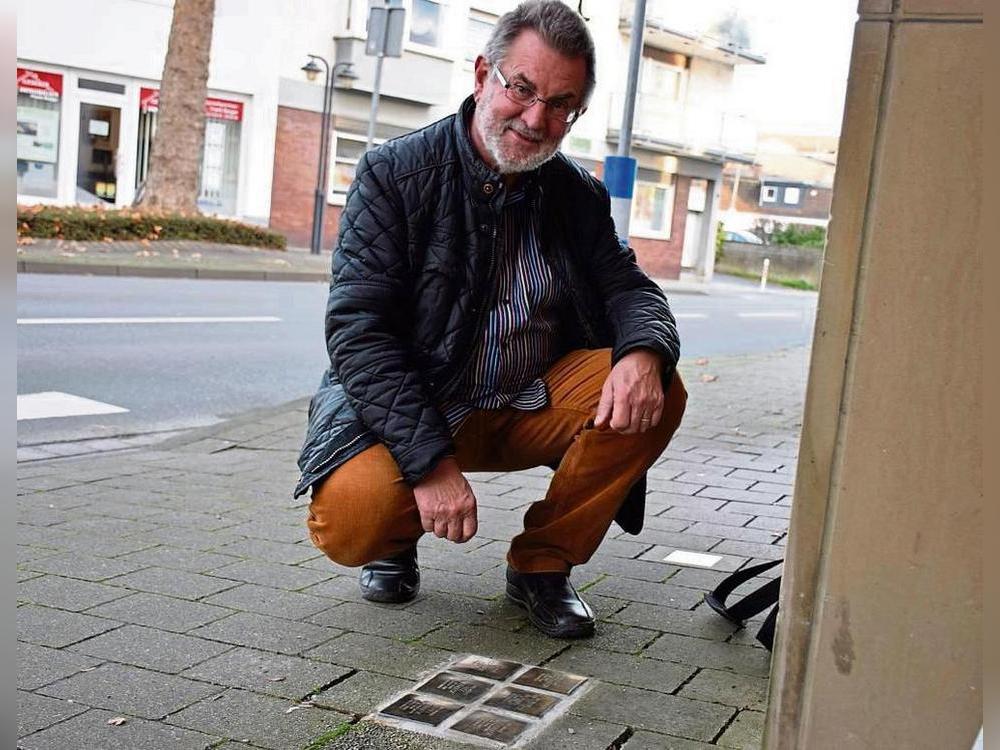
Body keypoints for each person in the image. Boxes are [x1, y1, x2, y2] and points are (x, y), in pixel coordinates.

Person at [295, 0, 686, 639]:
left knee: (660, 388)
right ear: (483, 74)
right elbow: (358, 333)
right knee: (353, 522)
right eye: (522, 89)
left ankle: (542, 565)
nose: (536, 119)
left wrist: (643, 352)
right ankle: (396, 540)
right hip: (419, 406)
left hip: (525, 400)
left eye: (561, 104)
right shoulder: (394, 174)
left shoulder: (574, 192)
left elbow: (627, 286)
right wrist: (430, 466)